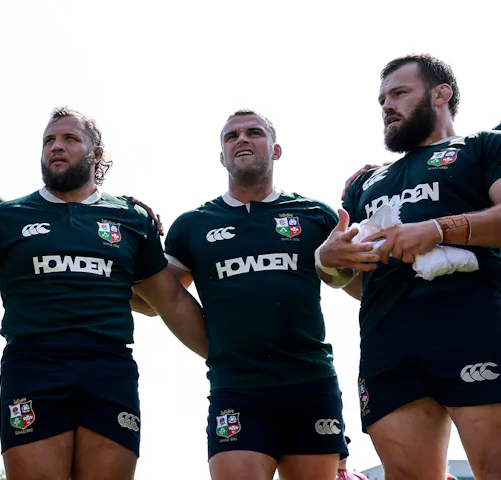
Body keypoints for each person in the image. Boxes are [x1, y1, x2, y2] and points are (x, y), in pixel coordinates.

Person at [0, 107, 207, 480]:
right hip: (32, 369)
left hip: (108, 370)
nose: (57, 147)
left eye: (70, 139)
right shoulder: (6, 219)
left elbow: (166, 302)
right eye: (49, 141)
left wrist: (229, 358)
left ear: (96, 153)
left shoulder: (131, 219)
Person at [318, 54, 501, 479]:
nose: (387, 105)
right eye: (382, 98)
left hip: (474, 324)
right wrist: (330, 261)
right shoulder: (366, 182)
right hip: (388, 341)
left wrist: (438, 229)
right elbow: (348, 279)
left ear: (441, 95)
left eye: (400, 93)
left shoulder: (482, 147)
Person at [162, 110, 354, 480]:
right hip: (237, 388)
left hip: (310, 383)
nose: (242, 139)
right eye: (231, 136)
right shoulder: (193, 225)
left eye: (254, 132)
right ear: (222, 157)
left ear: (276, 149)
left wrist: (336, 264)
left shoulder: (314, 214)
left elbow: (349, 283)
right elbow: (159, 300)